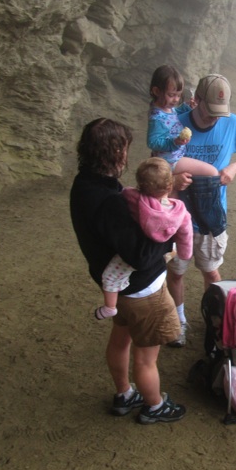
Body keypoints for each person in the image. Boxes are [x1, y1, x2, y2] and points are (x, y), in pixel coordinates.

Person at [70, 118, 186, 424]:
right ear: (115, 153)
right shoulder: (110, 201)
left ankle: (124, 393)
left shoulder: (84, 185)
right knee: (146, 358)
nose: (126, 155)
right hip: (142, 291)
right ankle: (154, 405)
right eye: (124, 149)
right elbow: (140, 255)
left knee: (121, 339)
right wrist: (169, 237)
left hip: (116, 288)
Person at [166, 73, 236, 347]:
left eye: (221, 112)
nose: (215, 118)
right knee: (176, 272)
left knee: (212, 272)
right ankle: (179, 321)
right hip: (178, 216)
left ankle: (215, 321)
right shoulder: (175, 125)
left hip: (211, 216)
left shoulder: (234, 124)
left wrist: (233, 168)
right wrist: (173, 181)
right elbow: (155, 167)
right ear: (197, 101)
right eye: (209, 111)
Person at [94, 157, 193, 321]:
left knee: (110, 276)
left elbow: (122, 195)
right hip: (160, 252)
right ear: (170, 185)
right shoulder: (180, 211)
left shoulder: (131, 196)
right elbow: (186, 235)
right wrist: (185, 254)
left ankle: (110, 307)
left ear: (140, 184)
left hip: (136, 252)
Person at [146, 65, 219, 180]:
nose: (176, 99)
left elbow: (173, 113)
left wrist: (186, 107)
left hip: (171, 158)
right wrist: (174, 142)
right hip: (170, 161)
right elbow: (152, 142)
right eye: (171, 95)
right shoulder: (157, 118)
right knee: (212, 172)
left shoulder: (165, 108)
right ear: (156, 91)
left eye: (178, 95)